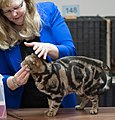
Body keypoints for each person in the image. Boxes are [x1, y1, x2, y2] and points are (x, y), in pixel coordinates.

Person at [0, 0, 77, 109]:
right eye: (7, 11)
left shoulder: (48, 11)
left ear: (26, 2)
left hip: (59, 101)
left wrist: (50, 48)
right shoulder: (2, 31)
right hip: (22, 105)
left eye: (17, 7)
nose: (14, 14)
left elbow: (70, 51)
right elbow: (1, 75)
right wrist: (13, 82)